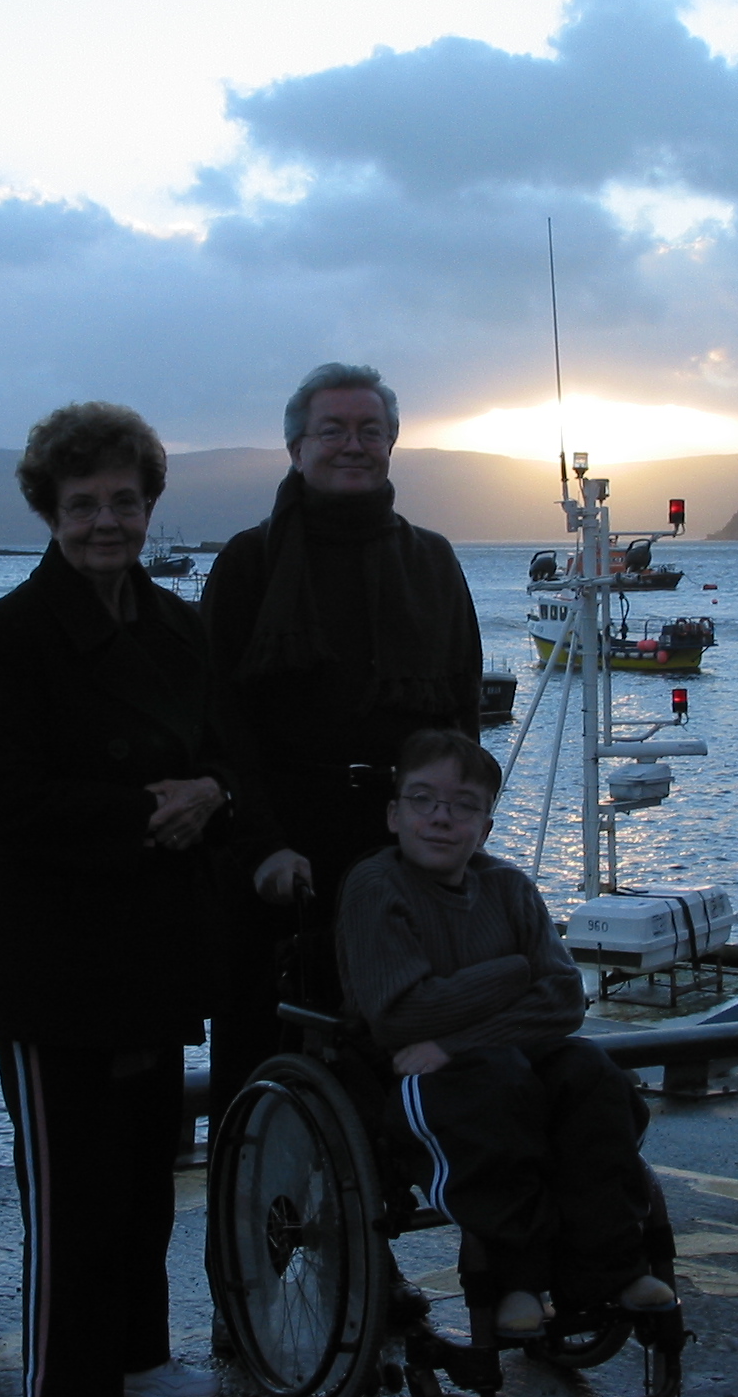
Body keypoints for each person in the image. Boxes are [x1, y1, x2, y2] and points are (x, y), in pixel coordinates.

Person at [0, 401, 229, 1397]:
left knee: (145, 1195)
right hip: (52, 972)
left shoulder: (179, 627)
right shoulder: (11, 635)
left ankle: (144, 1365)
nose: (106, 521)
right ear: (49, 511)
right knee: (70, 1212)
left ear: (150, 504)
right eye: (84, 505)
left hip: (154, 956)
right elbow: (7, 798)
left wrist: (213, 791)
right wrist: (143, 814)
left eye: (124, 500)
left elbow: (219, 751)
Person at [200, 362, 484, 1108]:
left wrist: (452, 835)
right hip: (279, 859)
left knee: (398, 1077)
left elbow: (460, 717)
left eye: (371, 431)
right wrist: (260, 847)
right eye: (333, 431)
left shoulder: (433, 560)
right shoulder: (247, 563)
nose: (353, 445)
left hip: (402, 851)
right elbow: (219, 725)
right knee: (258, 1086)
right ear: (297, 447)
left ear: (392, 444)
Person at [335, 728, 673, 1337]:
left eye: (463, 806)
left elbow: (565, 996)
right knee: (498, 1085)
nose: (441, 818)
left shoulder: (509, 887)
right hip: (407, 1079)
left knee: (592, 1076)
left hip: (476, 1058)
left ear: (485, 826)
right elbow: (401, 1014)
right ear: (393, 814)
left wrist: (457, 1039)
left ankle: (612, 1267)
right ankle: (515, 1279)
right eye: (423, 800)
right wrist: (511, 973)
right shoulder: (375, 886)